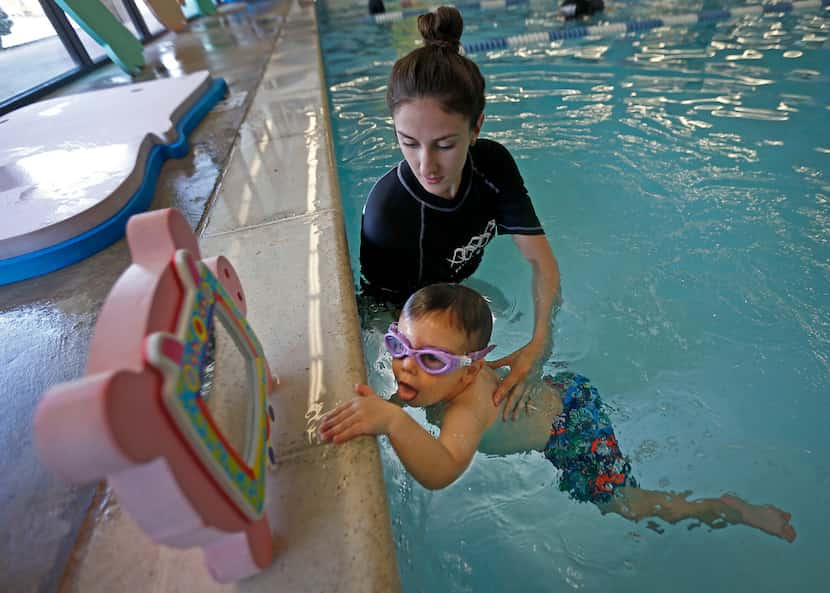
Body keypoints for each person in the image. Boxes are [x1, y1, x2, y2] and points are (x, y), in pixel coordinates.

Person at [320, 283, 797, 542]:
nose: (406, 366)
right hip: (554, 390)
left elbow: (442, 470)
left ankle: (723, 508)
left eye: (430, 360)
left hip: (570, 428)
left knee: (624, 506)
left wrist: (391, 420)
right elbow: (405, 388)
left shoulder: (467, 408)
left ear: (469, 371)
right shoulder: (432, 377)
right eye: (399, 346)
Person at [358, 6, 560, 411]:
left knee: (513, 322)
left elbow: (542, 264)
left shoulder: (492, 166)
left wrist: (539, 345)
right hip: (394, 321)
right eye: (408, 142)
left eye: (445, 145)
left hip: (451, 294)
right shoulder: (391, 210)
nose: (426, 165)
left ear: (477, 127)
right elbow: (397, 317)